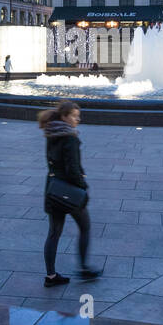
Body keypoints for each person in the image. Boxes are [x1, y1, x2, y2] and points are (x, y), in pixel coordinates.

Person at [40, 101, 103, 287]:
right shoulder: (69, 138)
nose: (78, 119)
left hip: (53, 189)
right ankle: (84, 269)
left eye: (78, 116)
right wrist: (83, 188)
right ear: (64, 117)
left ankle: (51, 277)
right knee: (85, 227)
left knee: (54, 233)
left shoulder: (51, 133)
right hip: (69, 192)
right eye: (74, 116)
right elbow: (73, 169)